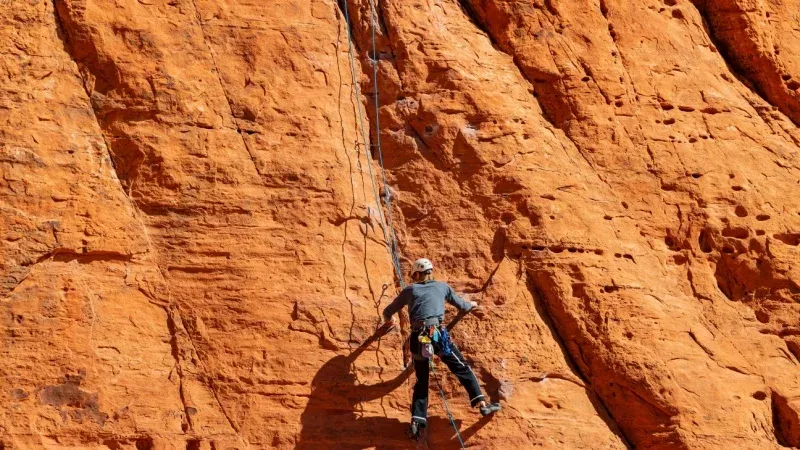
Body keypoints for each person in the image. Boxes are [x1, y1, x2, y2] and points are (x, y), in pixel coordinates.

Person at [382, 258, 501, 439]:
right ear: (430, 272)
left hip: (417, 337)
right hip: (434, 333)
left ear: (416, 274)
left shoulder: (410, 290)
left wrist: (389, 321)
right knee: (461, 367)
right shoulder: (442, 287)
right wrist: (472, 305)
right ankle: (483, 405)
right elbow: (462, 305)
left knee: (422, 380)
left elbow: (388, 310)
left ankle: (416, 422)